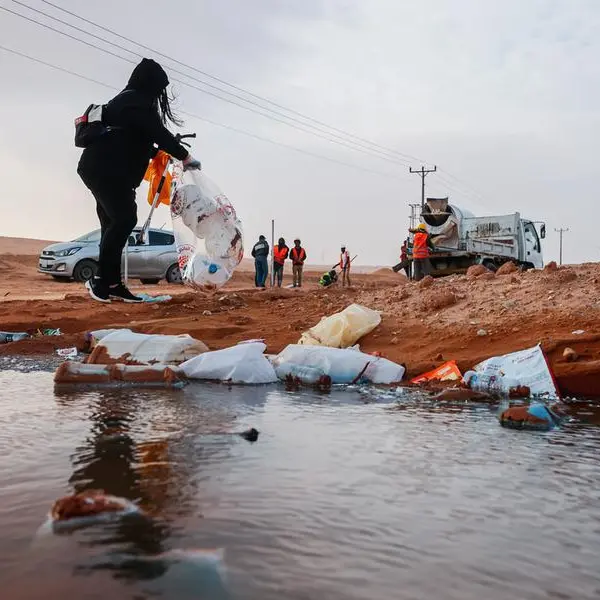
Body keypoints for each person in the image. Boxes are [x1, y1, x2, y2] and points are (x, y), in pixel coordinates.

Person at [77, 58, 201, 304]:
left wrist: (157, 154)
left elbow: (134, 139)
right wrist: (185, 157)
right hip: (106, 171)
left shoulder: (126, 103)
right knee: (125, 219)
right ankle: (103, 281)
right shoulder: (135, 103)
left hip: (103, 170)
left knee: (112, 223)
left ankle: (112, 284)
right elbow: (158, 134)